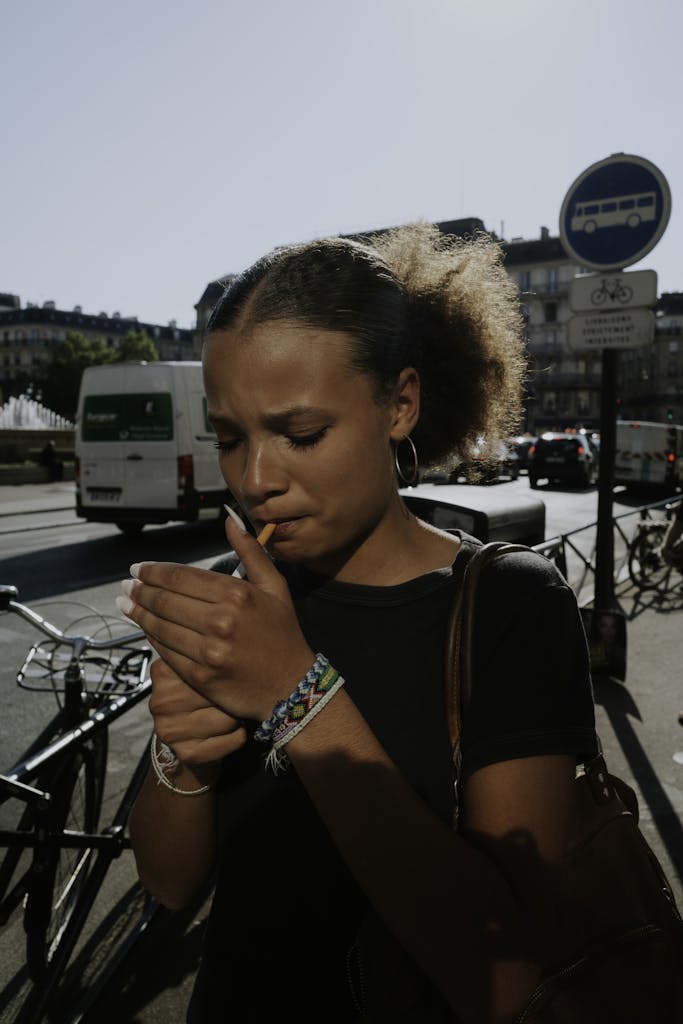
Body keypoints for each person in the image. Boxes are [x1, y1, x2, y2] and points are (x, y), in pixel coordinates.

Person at [120, 224, 599, 1024]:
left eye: (300, 434)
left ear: (399, 404)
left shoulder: (509, 604)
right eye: (231, 439)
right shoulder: (241, 596)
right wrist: (183, 757)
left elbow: (504, 971)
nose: (257, 480)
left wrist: (295, 693)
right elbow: (167, 885)